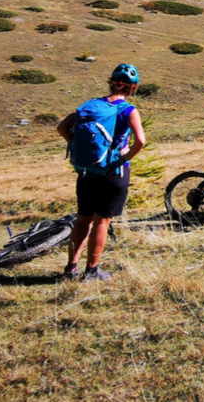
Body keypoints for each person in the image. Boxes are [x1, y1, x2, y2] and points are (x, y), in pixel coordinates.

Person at [57, 63, 146, 281]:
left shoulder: (91, 105)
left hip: (87, 172)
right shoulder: (128, 110)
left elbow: (61, 127)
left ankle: (70, 269)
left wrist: (75, 144)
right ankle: (92, 271)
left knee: (82, 220)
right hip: (113, 172)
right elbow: (141, 141)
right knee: (102, 221)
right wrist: (124, 158)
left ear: (111, 82)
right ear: (133, 88)